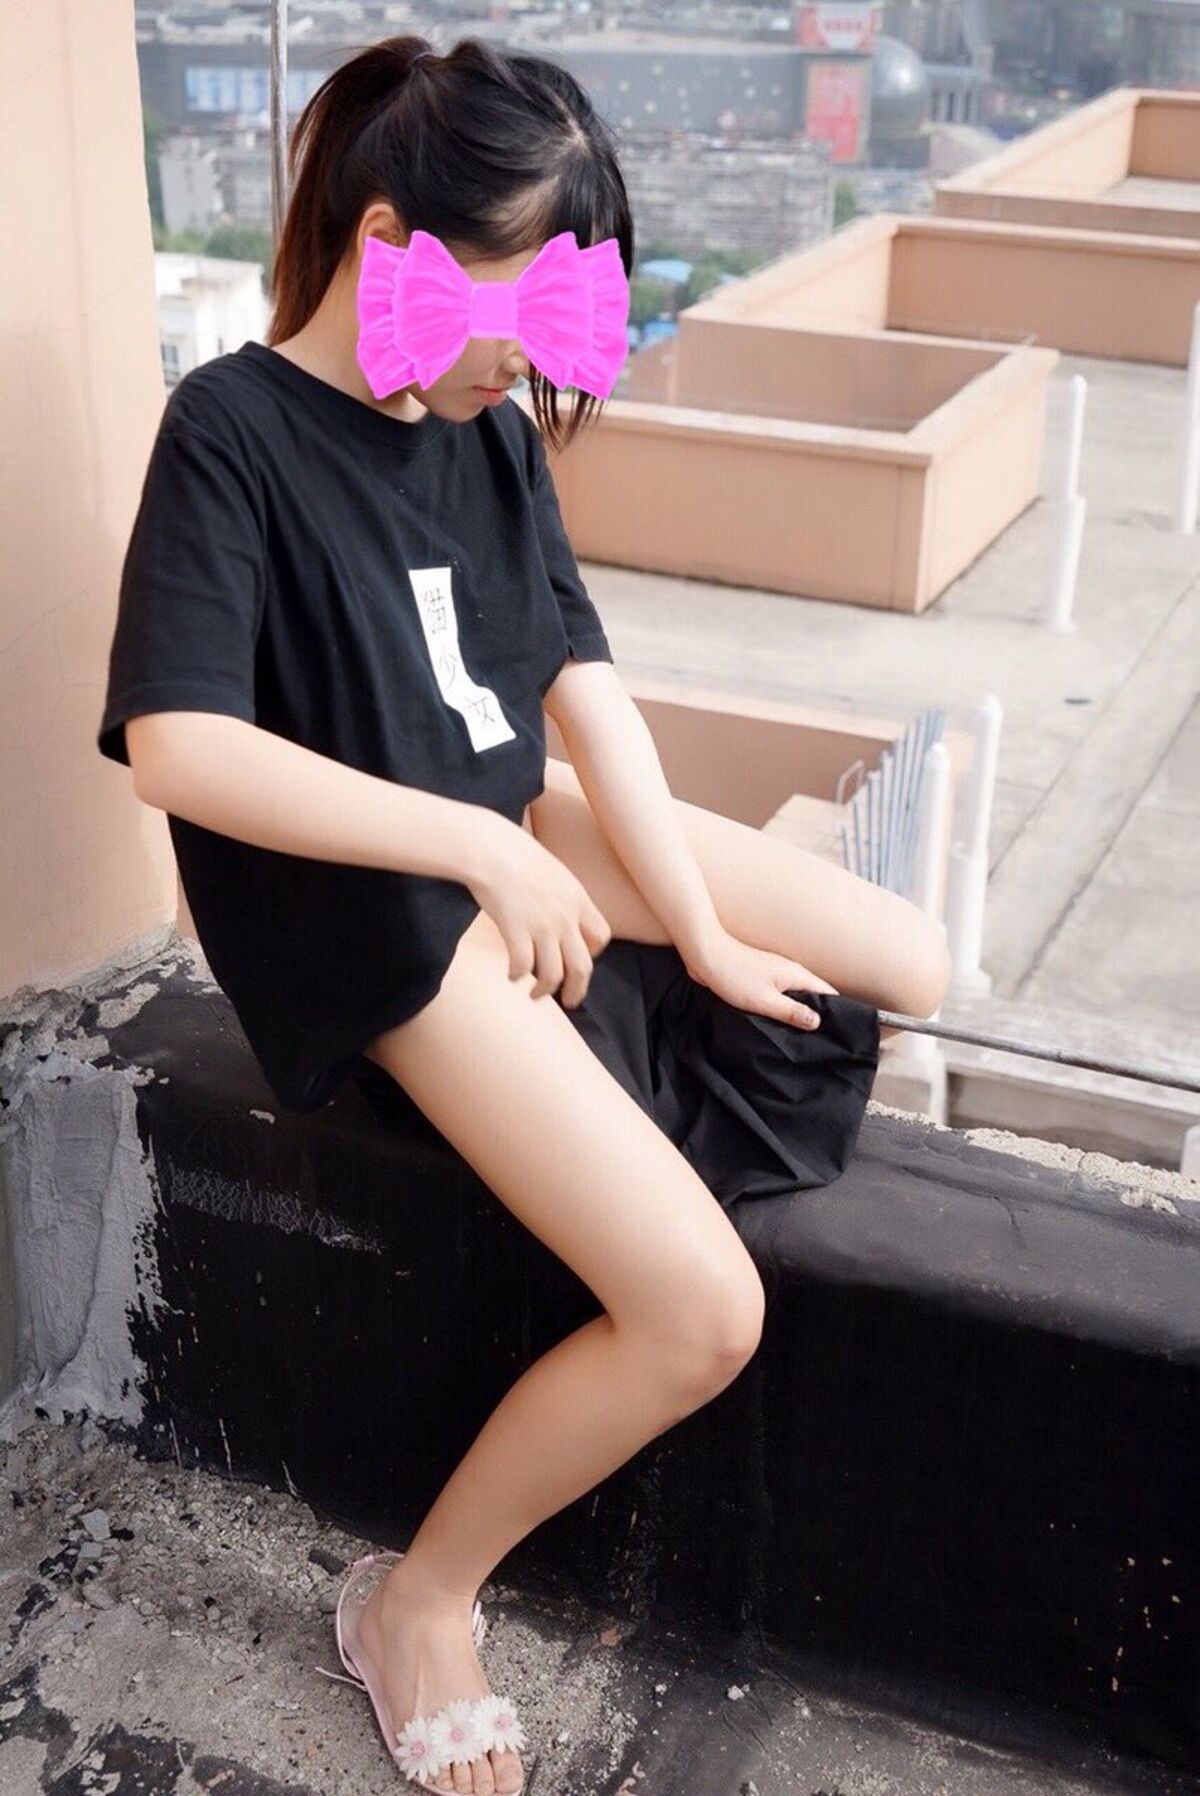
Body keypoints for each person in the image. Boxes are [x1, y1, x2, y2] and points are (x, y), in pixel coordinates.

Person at [97, 35, 951, 1793]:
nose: (541, 354)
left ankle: (625, 1009)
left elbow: (583, 688)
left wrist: (697, 933)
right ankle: (418, 1602)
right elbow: (178, 747)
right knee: (702, 1312)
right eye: (531, 299)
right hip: (373, 919)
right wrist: (482, 861)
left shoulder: (481, 433)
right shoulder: (232, 431)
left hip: (503, 828)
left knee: (910, 958)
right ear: (391, 240)